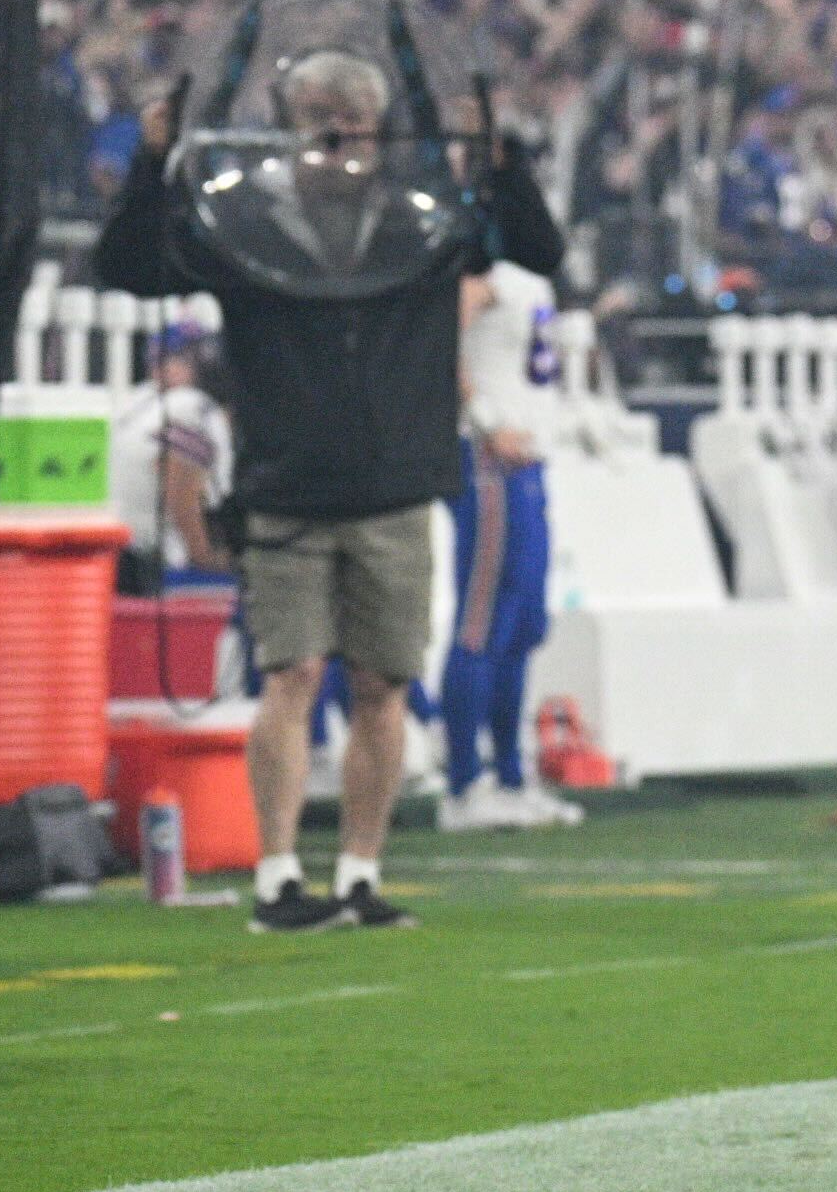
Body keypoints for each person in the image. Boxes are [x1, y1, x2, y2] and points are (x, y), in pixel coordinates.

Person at [95, 59, 563, 931]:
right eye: (316, 111)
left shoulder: (422, 224)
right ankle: (278, 875)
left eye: (350, 112)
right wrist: (151, 163)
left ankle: (359, 871)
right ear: (286, 123)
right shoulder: (249, 226)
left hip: (393, 486)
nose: (335, 128)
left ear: (381, 128)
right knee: (293, 672)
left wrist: (504, 161)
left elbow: (538, 253)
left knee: (384, 682)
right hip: (287, 485)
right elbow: (128, 266)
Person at [436, 249, 581, 830]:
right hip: (489, 462)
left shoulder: (529, 275)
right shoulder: (486, 268)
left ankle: (510, 777)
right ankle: (464, 783)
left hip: (527, 462)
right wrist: (485, 419)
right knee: (482, 624)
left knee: (521, 627)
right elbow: (441, 332)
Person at [108, 321, 231, 592]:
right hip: (154, 563)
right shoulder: (189, 406)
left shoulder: (137, 399)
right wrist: (204, 558)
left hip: (115, 550)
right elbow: (179, 491)